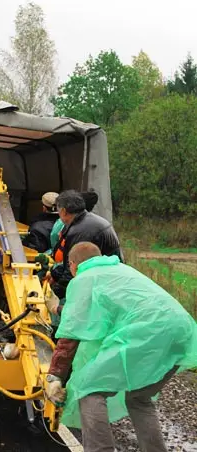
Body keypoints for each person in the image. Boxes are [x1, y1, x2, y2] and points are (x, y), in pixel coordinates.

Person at [46, 242, 197, 452]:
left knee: (89, 390)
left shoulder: (83, 279)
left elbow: (72, 332)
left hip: (147, 332)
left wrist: (55, 376)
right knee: (139, 398)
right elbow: (101, 315)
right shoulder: (121, 270)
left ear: (73, 264)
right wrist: (59, 308)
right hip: (181, 330)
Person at [50, 190, 122, 298]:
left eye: (58, 211)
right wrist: (54, 275)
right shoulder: (84, 220)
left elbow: (74, 268)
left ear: (64, 211)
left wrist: (54, 294)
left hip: (106, 283)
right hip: (104, 274)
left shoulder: (81, 231)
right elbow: (67, 263)